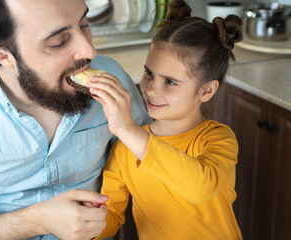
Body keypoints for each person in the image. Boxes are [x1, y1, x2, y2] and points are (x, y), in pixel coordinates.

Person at [0, 0, 150, 239]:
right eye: (58, 42)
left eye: (84, 24)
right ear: (3, 55)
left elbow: (153, 168)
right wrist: (40, 220)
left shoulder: (111, 77)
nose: (89, 51)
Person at [86, 0, 243, 239]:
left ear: (206, 91)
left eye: (170, 81)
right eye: (149, 73)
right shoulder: (127, 148)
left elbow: (200, 186)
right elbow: (113, 215)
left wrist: (128, 129)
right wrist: (86, 225)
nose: (151, 90)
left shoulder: (217, 138)